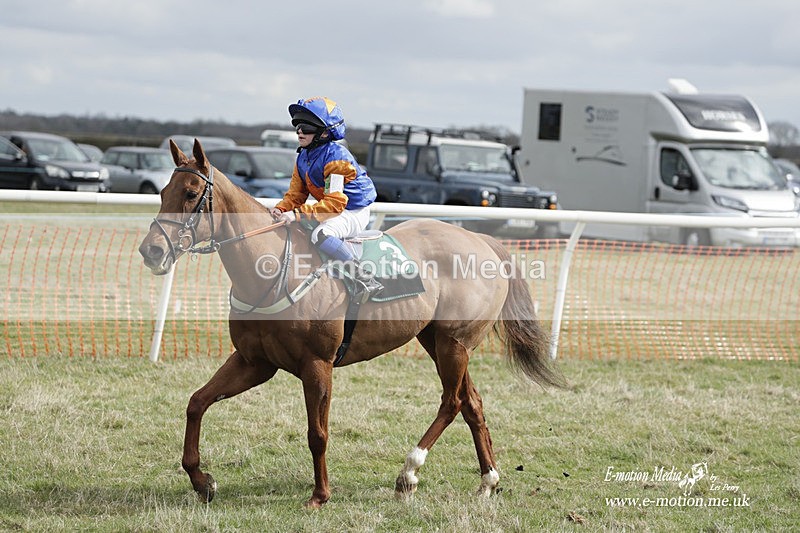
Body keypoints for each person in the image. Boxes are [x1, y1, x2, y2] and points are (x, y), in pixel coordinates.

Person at [270, 96, 383, 297]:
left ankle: (362, 276)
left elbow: (334, 204)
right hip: (335, 206)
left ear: (324, 133)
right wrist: (281, 209)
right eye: (297, 126)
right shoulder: (303, 157)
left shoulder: (337, 158)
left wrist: (296, 215)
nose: (299, 132)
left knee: (321, 234)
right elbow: (296, 195)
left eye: (306, 127)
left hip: (353, 209)